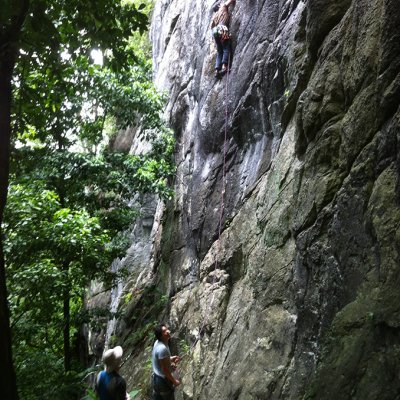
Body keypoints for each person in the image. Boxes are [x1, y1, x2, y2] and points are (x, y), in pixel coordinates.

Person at [152, 324, 181, 400]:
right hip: (162, 381)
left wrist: (171, 358)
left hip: (156, 378)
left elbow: (160, 360)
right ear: (161, 336)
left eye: (167, 329)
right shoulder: (162, 349)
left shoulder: (158, 343)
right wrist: (174, 381)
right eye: (165, 331)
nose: (168, 331)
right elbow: (165, 370)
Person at [211, 0, 236, 78]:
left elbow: (212, 27)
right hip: (222, 28)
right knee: (226, 47)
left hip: (215, 32)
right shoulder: (222, 7)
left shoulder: (214, 17)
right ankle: (224, 66)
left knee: (219, 51)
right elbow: (231, 1)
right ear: (219, 6)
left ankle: (217, 70)